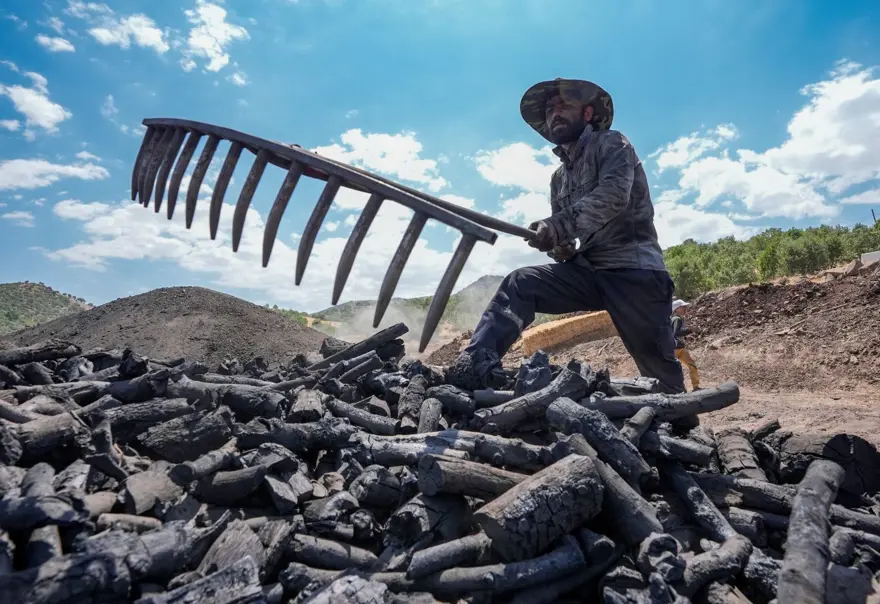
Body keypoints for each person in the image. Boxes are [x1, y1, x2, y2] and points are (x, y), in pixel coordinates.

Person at [447, 77, 686, 394]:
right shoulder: (558, 179)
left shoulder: (613, 144)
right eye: (549, 109)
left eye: (564, 105)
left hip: (634, 271)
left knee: (661, 377)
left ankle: (679, 420)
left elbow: (614, 196)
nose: (554, 113)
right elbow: (571, 238)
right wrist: (559, 246)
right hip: (587, 271)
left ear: (587, 114)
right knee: (521, 284)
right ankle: (474, 366)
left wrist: (557, 225)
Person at [670, 299, 701, 391]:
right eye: (682, 307)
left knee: (689, 366)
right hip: (675, 349)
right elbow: (676, 333)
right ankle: (692, 387)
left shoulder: (677, 319)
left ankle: (686, 388)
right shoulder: (677, 319)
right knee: (688, 367)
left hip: (678, 348)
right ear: (676, 309)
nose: (685, 308)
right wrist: (690, 330)